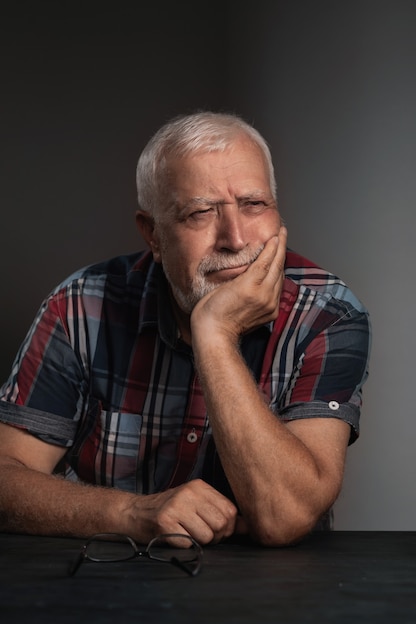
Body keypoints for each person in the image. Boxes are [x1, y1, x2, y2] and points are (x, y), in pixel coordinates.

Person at [0, 111, 371, 547]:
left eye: (254, 204)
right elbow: (7, 478)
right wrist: (132, 513)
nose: (235, 238)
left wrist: (214, 334)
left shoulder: (328, 314)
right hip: (103, 590)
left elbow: (284, 516)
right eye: (200, 212)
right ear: (153, 235)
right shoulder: (80, 307)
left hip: (274, 600)